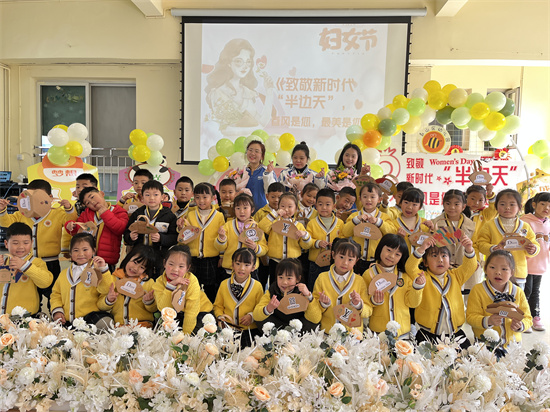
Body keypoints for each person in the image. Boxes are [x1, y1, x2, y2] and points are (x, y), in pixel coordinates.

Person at [0, 179, 76, 304]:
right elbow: (7, 223)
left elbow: (71, 222)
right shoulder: (22, 214)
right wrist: (2, 211)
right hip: (25, 262)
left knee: (54, 295)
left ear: (50, 197)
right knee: (29, 293)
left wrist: (69, 209)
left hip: (50, 262)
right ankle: (34, 312)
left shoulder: (57, 213)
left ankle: (54, 313)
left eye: (39, 198)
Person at [406, 234, 477, 349]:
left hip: (455, 333)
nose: (440, 260)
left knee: (463, 356)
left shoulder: (456, 276)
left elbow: (470, 266)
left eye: (444, 256)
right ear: (425, 262)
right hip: (428, 334)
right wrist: (422, 248)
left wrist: (469, 248)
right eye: (434, 256)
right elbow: (410, 267)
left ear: (450, 260)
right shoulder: (422, 276)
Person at [205, 38, 274, 138]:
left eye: (248, 62)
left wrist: (269, 92)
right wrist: (257, 128)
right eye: (239, 61)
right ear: (228, 63)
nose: (245, 66)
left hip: (252, 145)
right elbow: (226, 129)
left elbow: (262, 122)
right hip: (230, 146)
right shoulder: (218, 93)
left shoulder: (247, 92)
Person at [466, 250, 532, 350]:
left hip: (513, 346)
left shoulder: (518, 292)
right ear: (485, 269)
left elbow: (528, 318)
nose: (498, 272)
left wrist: (520, 325)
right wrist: (488, 320)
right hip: (486, 346)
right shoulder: (477, 290)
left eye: (504, 269)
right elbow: (471, 317)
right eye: (492, 267)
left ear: (512, 272)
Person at [475, 189, 539, 289]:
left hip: (517, 273)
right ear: (496, 206)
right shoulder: (489, 225)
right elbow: (481, 243)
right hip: (495, 273)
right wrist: (492, 248)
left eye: (512, 204)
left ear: (519, 207)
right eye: (502, 204)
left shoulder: (525, 226)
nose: (507, 207)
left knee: (516, 297)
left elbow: (534, 242)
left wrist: (533, 249)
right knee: (493, 297)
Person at [363, 234, 425, 338]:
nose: (391, 256)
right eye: (389, 250)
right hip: (379, 332)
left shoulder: (405, 276)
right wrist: (374, 301)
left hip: (402, 333)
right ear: (380, 248)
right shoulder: (368, 274)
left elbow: (412, 303)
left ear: (401, 257)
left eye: (397, 254)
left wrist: (417, 287)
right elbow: (365, 303)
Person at [50, 233, 113, 329]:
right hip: (68, 321)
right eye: (76, 250)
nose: (80, 254)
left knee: (106, 323)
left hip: (90, 318)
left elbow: (105, 290)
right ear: (70, 253)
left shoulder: (97, 271)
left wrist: (103, 269)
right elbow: (56, 294)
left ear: (93, 251)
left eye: (85, 249)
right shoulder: (63, 274)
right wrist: (57, 311)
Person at [309, 239, 372, 333]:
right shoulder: (322, 278)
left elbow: (368, 311)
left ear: (356, 261)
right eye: (341, 257)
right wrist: (322, 304)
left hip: (352, 334)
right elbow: (314, 312)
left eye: (350, 259)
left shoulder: (359, 281)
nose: (345, 262)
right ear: (333, 255)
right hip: (328, 332)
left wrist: (358, 304)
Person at [178, 183, 225, 302]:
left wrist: (221, 256)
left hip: (211, 259)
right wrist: (180, 228)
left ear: (213, 197)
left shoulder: (219, 216)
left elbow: (223, 237)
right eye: (197, 197)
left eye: (205, 197)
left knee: (211, 288)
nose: (201, 201)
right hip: (193, 258)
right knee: (193, 286)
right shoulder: (190, 214)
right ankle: (194, 308)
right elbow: (184, 236)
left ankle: (210, 310)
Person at [65, 187, 128, 273]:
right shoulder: (86, 214)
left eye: (92, 197)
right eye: (88, 203)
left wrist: (106, 214)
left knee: (106, 280)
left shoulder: (119, 211)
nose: (92, 202)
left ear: (101, 194)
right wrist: (70, 226)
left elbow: (120, 229)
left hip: (106, 260)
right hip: (86, 259)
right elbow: (78, 230)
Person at [124, 180, 178, 278]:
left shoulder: (169, 216)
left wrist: (161, 238)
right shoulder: (137, 214)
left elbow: (174, 237)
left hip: (159, 256)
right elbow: (127, 233)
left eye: (156, 194)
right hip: (140, 256)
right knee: (139, 279)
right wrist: (131, 237)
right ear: (142, 197)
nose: (152, 198)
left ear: (162, 197)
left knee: (157, 279)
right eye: (147, 195)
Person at [153, 245, 213, 334]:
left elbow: (191, 312)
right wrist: (170, 286)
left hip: (199, 312)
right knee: (161, 326)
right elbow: (163, 308)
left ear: (188, 268)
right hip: (177, 313)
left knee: (197, 335)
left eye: (181, 266)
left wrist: (185, 335)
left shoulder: (191, 281)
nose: (175, 269)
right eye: (171, 264)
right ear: (164, 263)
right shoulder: (159, 281)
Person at [431, 189, 479, 299]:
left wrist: (475, 260)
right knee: (445, 297)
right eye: (448, 203)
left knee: (469, 298)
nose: (452, 207)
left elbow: (476, 245)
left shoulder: (472, 225)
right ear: (443, 204)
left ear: (463, 206)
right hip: (443, 267)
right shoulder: (435, 224)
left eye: (456, 204)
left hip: (466, 266)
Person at [258, 192, 313, 286]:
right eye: (282, 206)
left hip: (293, 262)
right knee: (275, 286)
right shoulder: (273, 223)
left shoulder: (298, 225)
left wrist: (305, 235)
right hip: (275, 261)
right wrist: (275, 214)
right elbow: (261, 226)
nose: (286, 209)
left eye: (290, 206)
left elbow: (306, 246)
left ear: (296, 208)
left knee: (292, 286)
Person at [213, 247, 264, 347]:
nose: (241, 268)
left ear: (253, 267)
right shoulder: (224, 284)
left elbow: (260, 307)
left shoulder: (257, 286)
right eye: (238, 264)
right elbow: (217, 306)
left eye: (247, 265)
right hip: (228, 330)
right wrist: (220, 317)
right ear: (232, 265)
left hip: (249, 331)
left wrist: (251, 316)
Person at [0, 223, 53, 315]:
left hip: (26, 317)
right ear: (6, 244)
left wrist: (25, 266)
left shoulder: (37, 262)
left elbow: (46, 282)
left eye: (26, 243)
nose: (21, 247)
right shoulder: (3, 262)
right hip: (2, 316)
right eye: (15, 243)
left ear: (31, 243)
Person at [253, 258, 318, 332]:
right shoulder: (272, 291)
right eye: (280, 277)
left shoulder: (303, 292)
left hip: (297, 327)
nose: (284, 282)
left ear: (298, 279)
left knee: (312, 323)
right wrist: (268, 309)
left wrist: (309, 296)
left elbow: (315, 319)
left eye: (289, 278)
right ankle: (277, 337)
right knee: (261, 320)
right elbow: (256, 316)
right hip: (278, 327)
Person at [99, 245, 157, 327]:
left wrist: (149, 302)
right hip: (119, 327)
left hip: (143, 326)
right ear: (128, 258)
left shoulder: (149, 283)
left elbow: (154, 309)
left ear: (146, 270)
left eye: (142, 267)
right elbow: (100, 306)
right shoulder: (113, 279)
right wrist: (108, 300)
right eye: (135, 262)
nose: (135, 268)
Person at [342, 182, 392, 275]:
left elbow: (390, 232)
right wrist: (356, 220)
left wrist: (378, 222)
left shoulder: (384, 217)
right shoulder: (354, 216)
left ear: (379, 199)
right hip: (356, 259)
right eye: (365, 197)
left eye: (372, 197)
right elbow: (345, 232)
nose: (368, 200)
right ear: (360, 199)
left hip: (376, 260)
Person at [216, 193, 267, 277]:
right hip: (230, 269)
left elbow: (264, 249)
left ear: (252, 209)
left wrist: (255, 247)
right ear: (234, 209)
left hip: (250, 270)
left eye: (245, 208)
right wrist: (221, 238)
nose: (242, 211)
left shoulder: (257, 227)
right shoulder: (228, 225)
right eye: (238, 208)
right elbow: (220, 247)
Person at [520, 192, 550, 331]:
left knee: (535, 292)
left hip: (540, 265)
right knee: (526, 291)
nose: (546, 208)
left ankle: (535, 316)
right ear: (534, 205)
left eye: (549, 205)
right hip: (525, 264)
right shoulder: (525, 221)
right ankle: (524, 318)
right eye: (543, 204)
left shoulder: (548, 223)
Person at [306, 188, 344, 291]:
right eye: (320, 204)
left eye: (327, 204)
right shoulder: (312, 223)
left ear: (334, 206)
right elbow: (306, 241)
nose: (324, 207)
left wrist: (336, 245)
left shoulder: (340, 223)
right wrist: (317, 243)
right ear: (315, 205)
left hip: (334, 264)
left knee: (330, 289)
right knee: (314, 288)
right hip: (315, 263)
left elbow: (343, 239)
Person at [386, 188, 434, 255]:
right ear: (400, 203)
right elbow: (387, 246)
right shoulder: (392, 224)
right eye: (406, 202)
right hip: (400, 260)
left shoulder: (425, 224)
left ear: (420, 207)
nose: (409, 207)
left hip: (420, 260)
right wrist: (398, 238)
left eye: (414, 204)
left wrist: (433, 230)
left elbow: (434, 244)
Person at [243, 140, 277, 209]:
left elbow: (273, 191)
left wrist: (268, 174)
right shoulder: (242, 171)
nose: (252, 153)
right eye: (250, 150)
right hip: (245, 210)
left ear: (262, 156)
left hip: (263, 210)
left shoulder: (267, 171)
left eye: (256, 151)